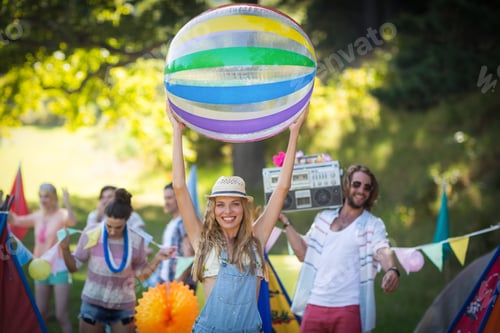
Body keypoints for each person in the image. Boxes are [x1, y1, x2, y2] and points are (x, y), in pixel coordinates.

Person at [166, 102, 308, 332]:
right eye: (220, 205)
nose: (228, 211)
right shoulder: (202, 240)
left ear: (244, 208)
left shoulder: (257, 239)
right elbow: (179, 187)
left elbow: (282, 188)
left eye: (234, 204)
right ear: (213, 210)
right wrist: (176, 131)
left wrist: (294, 131)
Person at [279, 164, 400, 333]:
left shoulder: (373, 224)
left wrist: (392, 269)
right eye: (356, 184)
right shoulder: (323, 218)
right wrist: (285, 222)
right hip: (315, 304)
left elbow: (381, 249)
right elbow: (303, 254)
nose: (361, 191)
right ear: (346, 186)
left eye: (367, 187)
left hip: (348, 308)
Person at [60, 188, 175, 333]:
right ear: (105, 218)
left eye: (118, 227)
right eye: (109, 226)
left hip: (123, 308)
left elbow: (141, 275)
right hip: (92, 304)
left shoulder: (135, 239)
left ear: (126, 221)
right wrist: (65, 249)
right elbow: (74, 267)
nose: (113, 231)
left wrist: (157, 259)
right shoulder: (92, 233)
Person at [8, 183, 77, 333]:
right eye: (40, 196)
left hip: (59, 267)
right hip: (40, 266)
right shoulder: (38, 215)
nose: (43, 199)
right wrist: (3, 206)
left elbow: (72, 222)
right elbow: (15, 220)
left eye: (46, 196)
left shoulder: (62, 214)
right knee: (40, 314)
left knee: (61, 315)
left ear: (53, 198)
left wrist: (67, 202)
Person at [147, 182, 197, 290]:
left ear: (179, 198)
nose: (166, 202)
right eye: (165, 198)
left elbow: (189, 258)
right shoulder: (172, 223)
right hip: (165, 284)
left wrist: (176, 285)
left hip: (179, 288)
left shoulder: (184, 223)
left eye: (169, 198)